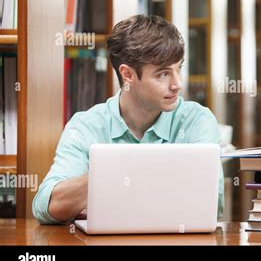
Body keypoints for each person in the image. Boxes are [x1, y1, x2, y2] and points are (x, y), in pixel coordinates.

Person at [33, 15, 224, 224]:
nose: (177, 84)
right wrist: (110, 173)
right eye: (163, 74)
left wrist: (106, 199)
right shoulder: (85, 126)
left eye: (179, 68)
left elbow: (211, 205)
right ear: (128, 74)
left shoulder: (197, 121)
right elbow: (46, 206)